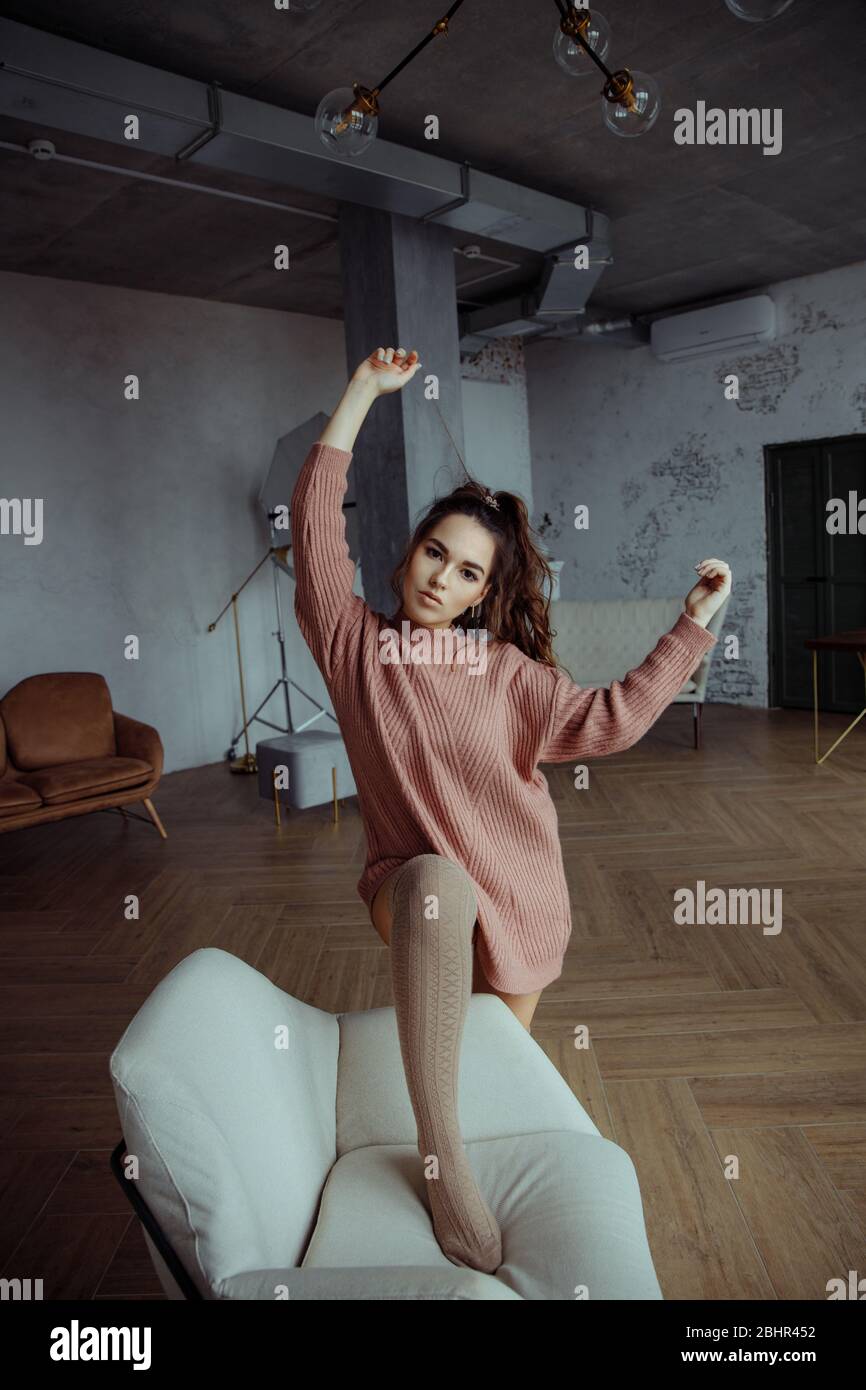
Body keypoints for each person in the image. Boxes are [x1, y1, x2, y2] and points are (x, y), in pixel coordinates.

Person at [290, 345, 731, 1274]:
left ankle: (493, 1172)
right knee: (438, 889)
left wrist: (692, 628)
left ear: (486, 593)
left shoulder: (508, 675)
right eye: (432, 553)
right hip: (412, 885)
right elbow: (313, 523)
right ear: (408, 553)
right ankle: (437, 1159)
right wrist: (363, 392)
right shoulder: (353, 646)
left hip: (521, 898)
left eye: (464, 573)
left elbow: (608, 722)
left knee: (495, 1073)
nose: (439, 579)